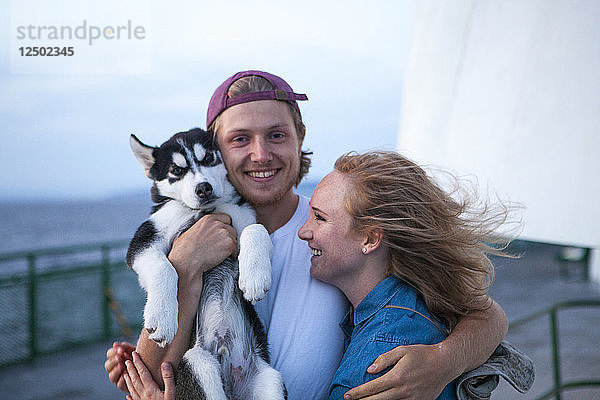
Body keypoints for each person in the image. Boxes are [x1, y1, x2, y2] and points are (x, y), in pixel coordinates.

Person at [105, 70, 509, 400]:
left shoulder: (335, 229)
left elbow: (487, 316)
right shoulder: (192, 238)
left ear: (301, 139)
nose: (261, 154)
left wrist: (442, 362)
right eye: (240, 139)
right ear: (214, 152)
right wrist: (184, 267)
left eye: (277, 135)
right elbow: (151, 376)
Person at [298, 151, 514, 399]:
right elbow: (489, 311)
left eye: (319, 218)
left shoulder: (378, 363)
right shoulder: (417, 300)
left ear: (369, 239)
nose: (303, 231)